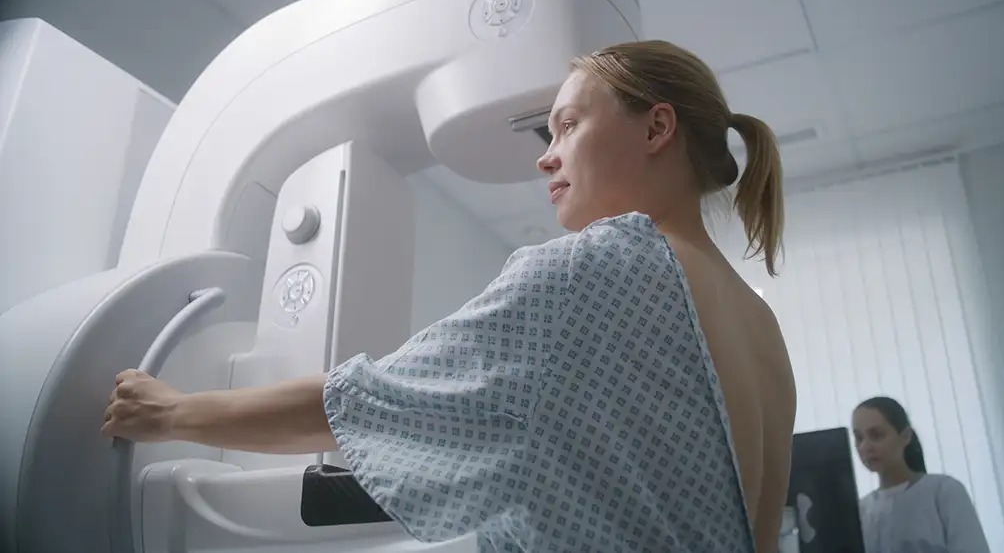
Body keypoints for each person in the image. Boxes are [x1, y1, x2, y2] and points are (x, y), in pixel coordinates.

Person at [102, 40, 797, 552]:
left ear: (656, 128)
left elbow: (359, 404)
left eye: (568, 125)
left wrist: (174, 412)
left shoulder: (600, 268)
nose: (544, 155)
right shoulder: (761, 326)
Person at [852, 397, 991, 553]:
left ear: (905, 436)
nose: (865, 446)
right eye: (859, 438)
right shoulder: (861, 511)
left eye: (877, 435)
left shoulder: (943, 491)